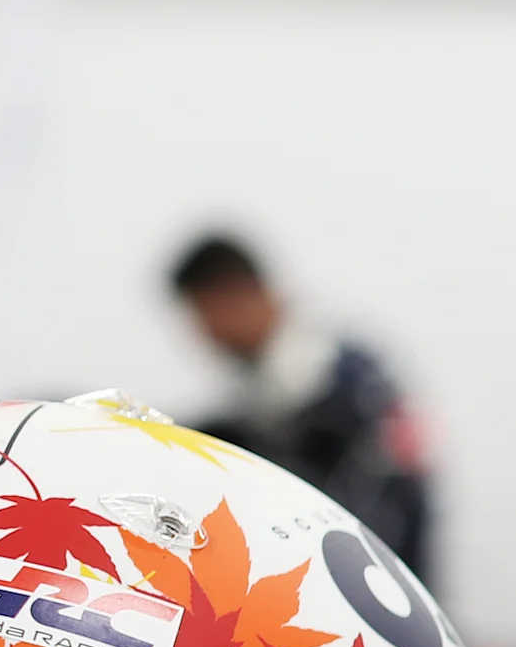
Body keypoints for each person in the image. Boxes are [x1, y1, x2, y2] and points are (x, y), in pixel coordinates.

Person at [166, 233, 435, 581]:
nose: (204, 335)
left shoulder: (346, 384)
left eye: (203, 313)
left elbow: (389, 509)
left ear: (237, 293)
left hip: (368, 588)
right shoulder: (268, 392)